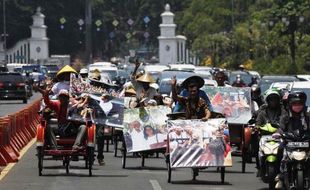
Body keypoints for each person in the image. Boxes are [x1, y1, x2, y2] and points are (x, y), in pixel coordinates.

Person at [274, 91, 310, 189]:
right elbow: (281, 128)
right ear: (290, 104)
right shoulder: (285, 116)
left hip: (306, 142)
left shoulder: (308, 116)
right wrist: (278, 133)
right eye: (295, 104)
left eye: (300, 104)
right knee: (279, 149)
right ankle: (280, 175)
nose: (297, 106)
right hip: (289, 142)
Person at [36, 86, 86, 151]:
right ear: (59, 98)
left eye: (64, 97)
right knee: (48, 127)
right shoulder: (57, 104)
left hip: (73, 128)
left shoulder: (73, 104)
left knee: (83, 127)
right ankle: (54, 147)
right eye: (61, 97)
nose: (63, 99)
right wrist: (47, 93)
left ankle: (76, 145)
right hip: (61, 127)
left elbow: (83, 106)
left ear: (67, 98)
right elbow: (47, 102)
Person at [255, 89, 287, 175]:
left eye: (275, 99)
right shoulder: (262, 112)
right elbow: (258, 122)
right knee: (255, 146)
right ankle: (259, 166)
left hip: (279, 135)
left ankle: (283, 169)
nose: (273, 101)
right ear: (268, 100)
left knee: (284, 151)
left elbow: (284, 122)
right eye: (271, 99)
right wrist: (257, 127)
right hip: (265, 135)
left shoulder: (283, 111)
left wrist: (281, 130)